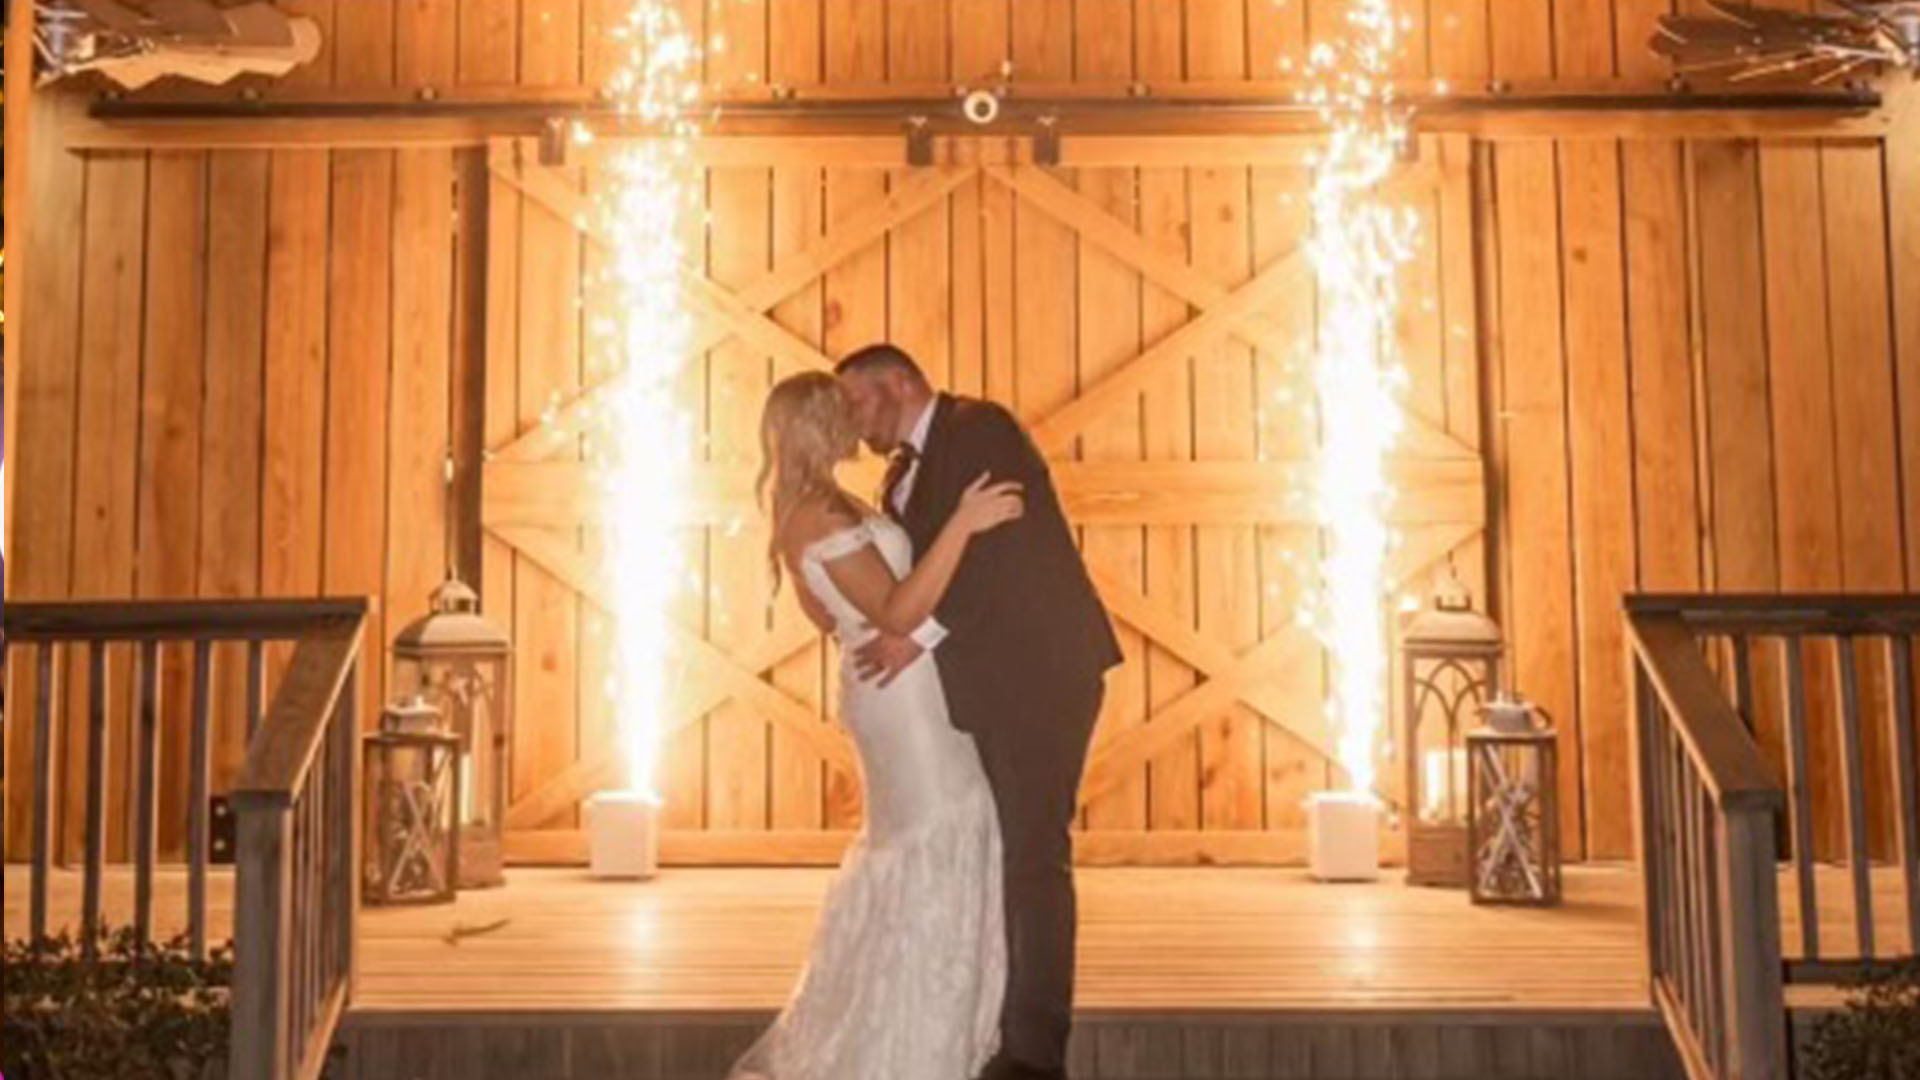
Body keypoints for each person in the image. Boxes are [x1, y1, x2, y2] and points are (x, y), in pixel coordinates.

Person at [836, 344, 1123, 1080]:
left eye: (857, 401)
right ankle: (997, 1016)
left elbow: (1005, 554)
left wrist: (917, 637)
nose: (852, 421)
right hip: (984, 685)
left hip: (1041, 674)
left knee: (1034, 857)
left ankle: (1034, 1053)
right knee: (1004, 852)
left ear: (898, 382)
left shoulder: (978, 429)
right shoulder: (901, 471)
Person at [729, 370, 1025, 1080]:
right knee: (934, 832)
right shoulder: (822, 517)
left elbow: (827, 616)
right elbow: (896, 611)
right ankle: (911, 1042)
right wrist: (963, 523)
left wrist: (870, 622)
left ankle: (929, 1024)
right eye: (843, 411)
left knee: (930, 830)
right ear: (818, 426)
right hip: (902, 699)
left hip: (892, 684)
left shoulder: (813, 506)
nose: (857, 420)